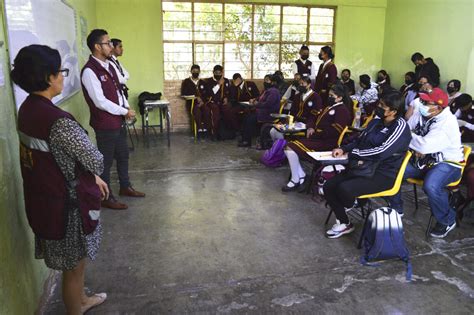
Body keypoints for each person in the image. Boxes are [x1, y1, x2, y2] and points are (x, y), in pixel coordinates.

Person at [13, 44, 109, 314]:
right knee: (74, 266)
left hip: (45, 198)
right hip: (67, 207)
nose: (63, 77)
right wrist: (93, 174)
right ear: (48, 77)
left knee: (73, 265)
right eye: (60, 72)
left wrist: (89, 175)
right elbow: (96, 160)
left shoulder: (28, 110)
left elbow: (56, 158)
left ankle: (81, 300)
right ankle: (75, 307)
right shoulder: (59, 122)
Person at [324, 92, 411, 238]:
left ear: (394, 111)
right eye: (379, 104)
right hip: (363, 168)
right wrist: (343, 149)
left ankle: (355, 201)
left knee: (344, 188)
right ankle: (345, 223)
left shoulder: (400, 127)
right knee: (329, 186)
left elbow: (382, 152)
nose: (378, 107)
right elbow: (359, 139)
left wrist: (354, 154)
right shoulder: (376, 122)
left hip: (384, 174)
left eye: (383, 106)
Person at [81, 29, 145, 210]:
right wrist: (123, 111)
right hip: (105, 124)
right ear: (96, 46)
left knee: (123, 154)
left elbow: (118, 91)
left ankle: (125, 186)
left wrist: (125, 107)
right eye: (107, 43)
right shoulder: (89, 71)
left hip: (118, 121)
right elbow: (100, 101)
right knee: (106, 161)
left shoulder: (109, 65)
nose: (111, 46)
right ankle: (106, 196)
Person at [389, 88, 463, 238]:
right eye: (421, 101)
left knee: (431, 185)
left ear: (439, 107)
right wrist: (417, 144)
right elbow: (404, 130)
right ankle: (397, 208)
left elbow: (421, 144)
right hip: (423, 161)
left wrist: (416, 143)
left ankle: (447, 219)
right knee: (391, 172)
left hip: (448, 163)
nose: (421, 104)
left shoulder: (446, 123)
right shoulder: (422, 113)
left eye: (426, 102)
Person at [282, 84, 352, 192]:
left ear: (340, 97)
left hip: (327, 143)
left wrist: (318, 133)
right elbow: (314, 117)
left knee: (290, 147)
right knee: (288, 146)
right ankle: (299, 176)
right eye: (329, 95)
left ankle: (297, 178)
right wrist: (310, 127)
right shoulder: (329, 107)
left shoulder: (342, 110)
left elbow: (335, 131)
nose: (329, 97)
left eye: (332, 95)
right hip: (318, 138)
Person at [239, 74, 281, 147]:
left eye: (267, 80)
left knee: (249, 120)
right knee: (246, 117)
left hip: (269, 113)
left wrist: (256, 104)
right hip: (262, 111)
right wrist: (254, 100)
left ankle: (246, 141)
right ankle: (244, 138)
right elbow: (260, 98)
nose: (265, 82)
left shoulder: (274, 92)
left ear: (273, 82)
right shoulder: (266, 90)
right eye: (264, 80)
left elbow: (268, 104)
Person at [202, 65, 231, 138]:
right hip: (212, 102)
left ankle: (227, 131)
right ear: (213, 72)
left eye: (219, 73)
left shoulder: (226, 81)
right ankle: (213, 132)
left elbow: (228, 92)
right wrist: (219, 84)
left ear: (222, 73)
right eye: (216, 73)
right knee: (215, 111)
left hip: (222, 102)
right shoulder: (208, 81)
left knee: (228, 109)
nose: (218, 74)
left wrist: (226, 98)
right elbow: (210, 93)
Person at [181, 64, 209, 135]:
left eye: (197, 71)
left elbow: (207, 95)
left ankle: (205, 128)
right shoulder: (186, 82)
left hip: (202, 103)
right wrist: (196, 97)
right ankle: (199, 129)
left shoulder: (203, 82)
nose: (195, 73)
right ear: (191, 71)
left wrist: (202, 101)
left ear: (199, 72)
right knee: (197, 110)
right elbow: (183, 94)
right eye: (194, 71)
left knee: (206, 109)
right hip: (192, 103)